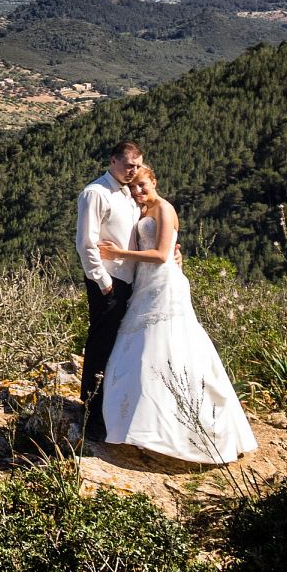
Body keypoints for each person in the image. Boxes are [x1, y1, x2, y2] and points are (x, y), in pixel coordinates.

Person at [96, 166, 258, 463]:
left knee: (168, 348)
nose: (138, 191)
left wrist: (117, 254)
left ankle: (174, 430)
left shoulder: (165, 209)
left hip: (164, 284)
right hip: (146, 284)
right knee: (140, 351)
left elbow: (160, 255)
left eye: (142, 185)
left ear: (154, 181)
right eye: (133, 188)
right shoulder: (144, 211)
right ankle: (137, 425)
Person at [76, 141, 144, 443]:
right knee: (101, 343)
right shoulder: (96, 193)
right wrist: (102, 281)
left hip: (129, 280)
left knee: (119, 344)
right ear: (113, 160)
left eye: (138, 165)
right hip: (109, 281)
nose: (133, 171)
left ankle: (109, 407)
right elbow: (86, 242)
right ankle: (89, 410)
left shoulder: (129, 194)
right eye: (129, 165)